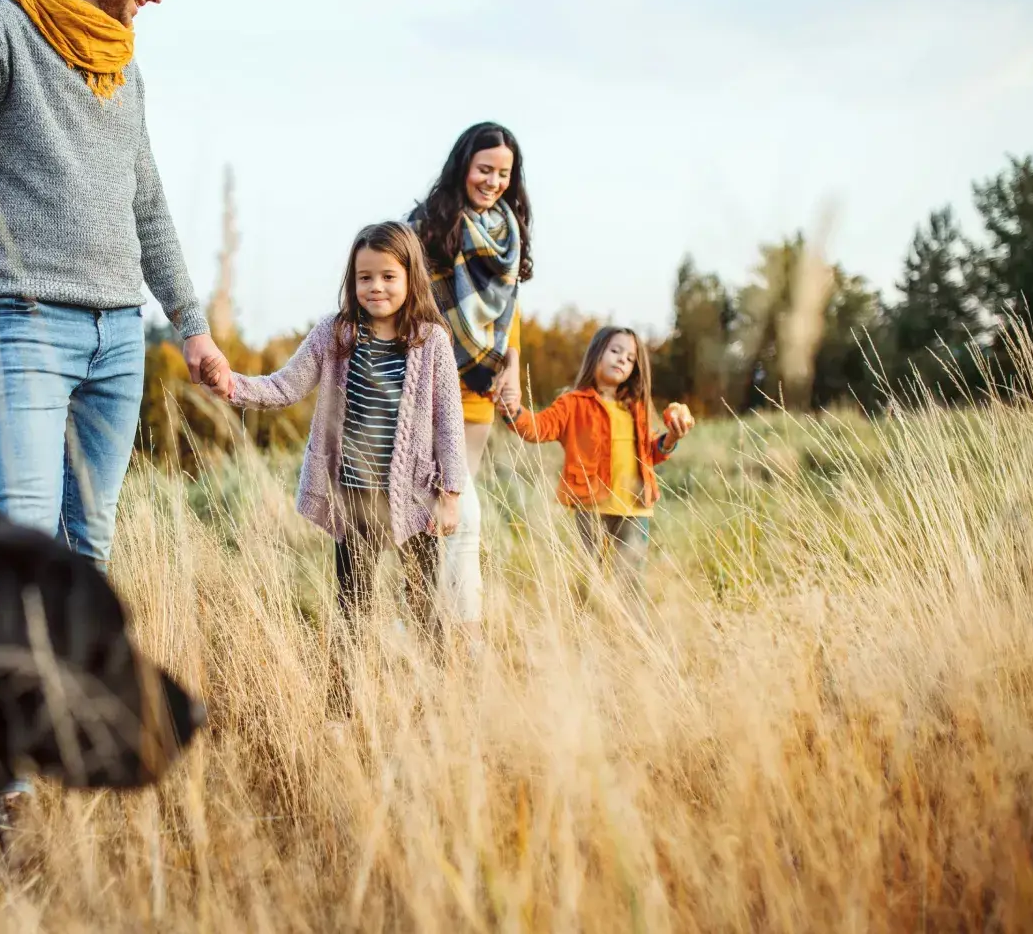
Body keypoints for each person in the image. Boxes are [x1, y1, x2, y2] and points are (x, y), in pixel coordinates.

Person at [0, 0, 231, 868]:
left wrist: (192, 327)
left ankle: (65, 749)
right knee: (23, 548)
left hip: (117, 342)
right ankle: (1, 787)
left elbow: (150, 208)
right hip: (26, 324)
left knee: (87, 551)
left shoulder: (124, 74)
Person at [223, 222, 467, 714]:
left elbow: (449, 424)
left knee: (424, 609)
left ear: (410, 278)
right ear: (352, 282)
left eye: (387, 277)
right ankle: (341, 711)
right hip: (353, 501)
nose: (375, 287)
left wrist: (452, 492)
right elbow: (285, 386)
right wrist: (230, 385)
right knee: (352, 609)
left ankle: (434, 710)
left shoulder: (431, 342)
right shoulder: (334, 336)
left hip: (415, 502)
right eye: (364, 278)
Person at [405, 122, 531, 648]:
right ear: (463, 166)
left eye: (504, 173)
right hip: (433, 386)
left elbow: (510, 311)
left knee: (442, 514)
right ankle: (466, 637)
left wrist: (513, 367)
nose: (493, 181)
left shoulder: (509, 231)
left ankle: (422, 633)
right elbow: (403, 300)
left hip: (480, 390)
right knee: (462, 511)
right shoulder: (426, 225)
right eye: (485, 169)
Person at [495, 326, 694, 604]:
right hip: (592, 507)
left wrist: (672, 437)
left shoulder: (635, 407)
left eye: (630, 357)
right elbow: (538, 428)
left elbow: (650, 451)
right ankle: (585, 635)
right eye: (615, 350)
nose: (622, 359)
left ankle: (633, 639)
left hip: (636, 507)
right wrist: (513, 412)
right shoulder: (573, 403)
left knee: (630, 580)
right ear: (596, 354)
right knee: (590, 576)